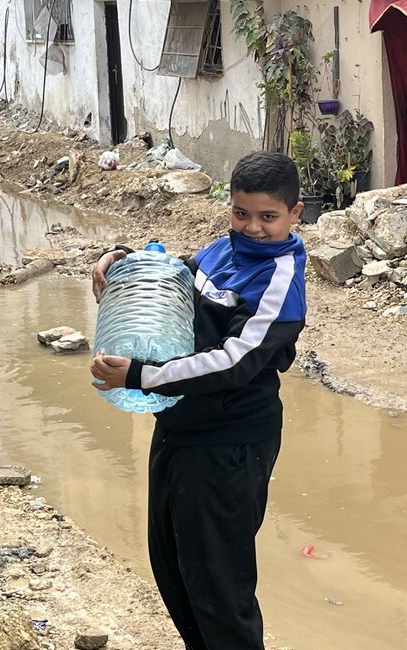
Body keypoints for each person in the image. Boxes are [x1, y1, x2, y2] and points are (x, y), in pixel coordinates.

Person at [88, 152, 308, 650]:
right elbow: (175, 277)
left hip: (229, 444)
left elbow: (232, 362)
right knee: (173, 565)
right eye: (241, 213)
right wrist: (121, 259)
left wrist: (141, 375)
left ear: (295, 213)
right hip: (180, 426)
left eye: (268, 217)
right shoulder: (222, 251)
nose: (252, 227)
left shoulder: (279, 281)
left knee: (219, 588)